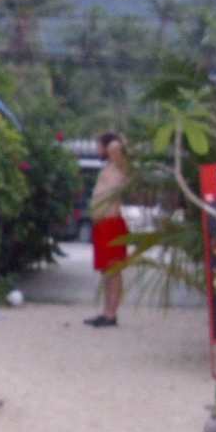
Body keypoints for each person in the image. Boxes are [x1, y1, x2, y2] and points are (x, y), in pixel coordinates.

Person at [85, 131, 130, 328]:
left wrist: (111, 139)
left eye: (99, 146)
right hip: (101, 222)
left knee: (114, 270)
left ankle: (112, 314)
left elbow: (117, 146)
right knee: (106, 271)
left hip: (112, 222)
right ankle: (106, 312)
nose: (97, 150)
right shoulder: (109, 167)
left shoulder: (120, 165)